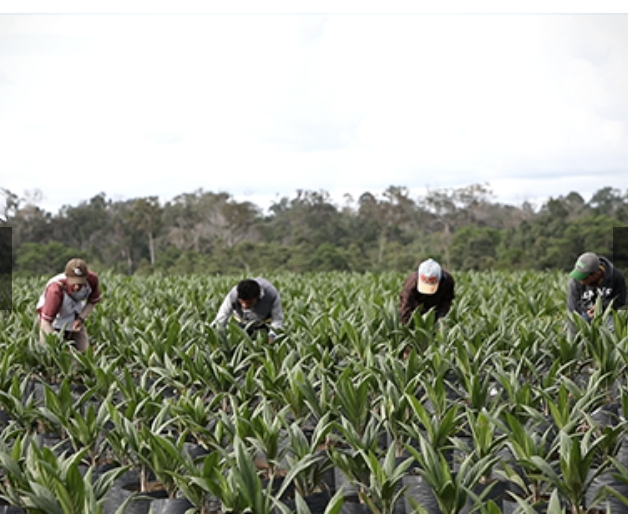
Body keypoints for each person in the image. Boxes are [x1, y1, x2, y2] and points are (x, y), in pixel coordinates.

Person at [36, 258, 102, 352]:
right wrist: (58, 344)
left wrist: (80, 318)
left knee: (85, 352)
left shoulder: (92, 280)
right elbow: (46, 322)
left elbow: (92, 302)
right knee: (50, 352)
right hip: (52, 321)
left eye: (80, 283)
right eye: (73, 283)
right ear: (67, 277)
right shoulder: (55, 290)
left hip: (74, 314)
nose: (77, 287)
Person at [567, 251, 626, 332]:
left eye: (583, 278)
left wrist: (601, 306)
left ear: (596, 274)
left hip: (607, 314)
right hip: (584, 313)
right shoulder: (575, 281)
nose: (580, 281)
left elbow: (621, 301)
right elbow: (573, 310)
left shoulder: (616, 277)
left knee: (612, 330)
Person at [212, 278, 284, 342]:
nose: (244, 306)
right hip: (243, 323)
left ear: (258, 297)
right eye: (241, 302)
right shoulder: (233, 295)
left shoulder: (271, 295)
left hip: (265, 324)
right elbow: (222, 315)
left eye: (249, 302)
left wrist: (272, 337)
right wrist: (215, 335)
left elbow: (277, 320)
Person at [399, 258, 455, 326]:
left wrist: (441, 317)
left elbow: (446, 300)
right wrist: (406, 326)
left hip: (435, 308)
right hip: (416, 309)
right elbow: (406, 305)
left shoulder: (448, 281)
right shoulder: (411, 284)